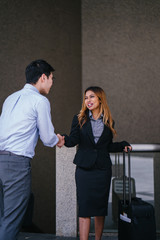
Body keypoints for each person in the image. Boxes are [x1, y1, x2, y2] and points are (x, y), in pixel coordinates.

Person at [0, 59, 64, 240]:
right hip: (16, 165)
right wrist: (57, 139)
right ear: (43, 77)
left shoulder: (10, 98)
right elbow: (47, 137)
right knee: (11, 221)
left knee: (3, 219)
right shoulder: (39, 100)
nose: (52, 82)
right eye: (52, 78)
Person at [63, 86, 132, 240]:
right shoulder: (79, 118)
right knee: (85, 209)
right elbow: (73, 140)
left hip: (102, 170)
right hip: (84, 170)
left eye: (92, 97)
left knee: (100, 210)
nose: (88, 100)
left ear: (100, 99)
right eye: (86, 97)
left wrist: (122, 145)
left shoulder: (109, 121)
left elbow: (107, 146)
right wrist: (62, 139)